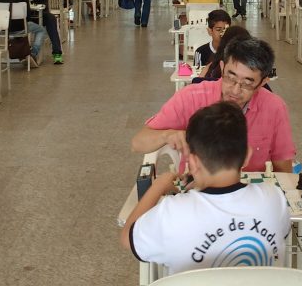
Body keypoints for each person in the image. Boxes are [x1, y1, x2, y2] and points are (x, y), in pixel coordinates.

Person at [121, 102, 290, 276]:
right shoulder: (274, 198)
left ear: (193, 163)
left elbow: (127, 238)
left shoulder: (172, 212)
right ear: (247, 155)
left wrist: (158, 185)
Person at [131, 37, 295, 173]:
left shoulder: (274, 107)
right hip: (196, 192)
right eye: (230, 77)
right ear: (222, 67)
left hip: (250, 193)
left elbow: (283, 167)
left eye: (247, 83)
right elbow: (137, 143)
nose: (235, 90)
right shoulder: (191, 97)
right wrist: (166, 135)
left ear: (262, 83)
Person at [18, 0, 64, 65]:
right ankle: (23, 53)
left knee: (52, 19)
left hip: (43, 14)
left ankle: (57, 53)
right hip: (24, 16)